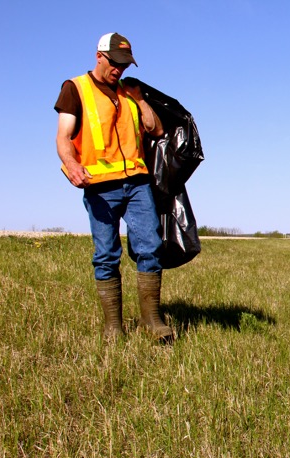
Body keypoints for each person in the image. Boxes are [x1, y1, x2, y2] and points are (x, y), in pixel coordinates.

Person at [54, 32, 172, 342]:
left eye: (125, 65)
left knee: (151, 248)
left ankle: (152, 320)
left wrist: (140, 100)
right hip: (99, 187)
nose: (119, 69)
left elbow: (156, 129)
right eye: (115, 63)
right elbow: (63, 137)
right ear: (99, 56)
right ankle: (113, 327)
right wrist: (72, 166)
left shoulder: (129, 93)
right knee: (106, 254)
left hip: (137, 183)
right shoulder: (75, 88)